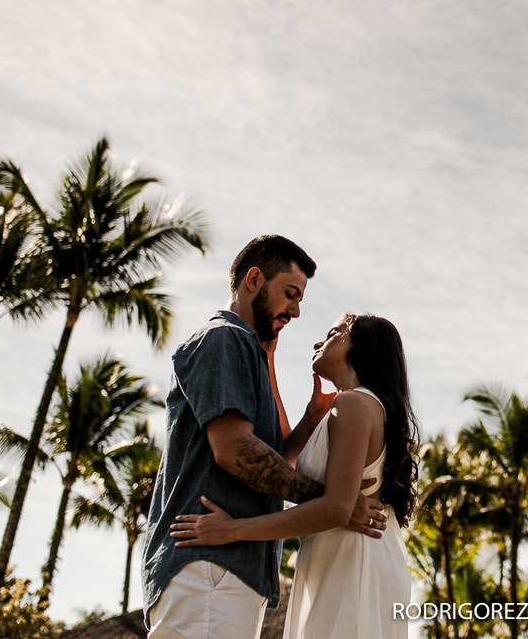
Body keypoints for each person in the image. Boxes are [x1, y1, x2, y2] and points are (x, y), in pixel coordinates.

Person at [141, 236, 389, 639]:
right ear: (254, 279)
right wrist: (334, 502)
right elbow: (236, 451)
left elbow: (269, 459)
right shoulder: (225, 338)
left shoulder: (246, 351)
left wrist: (309, 422)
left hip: (225, 570)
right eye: (290, 294)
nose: (295, 311)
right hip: (211, 565)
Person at [170, 313, 419, 639]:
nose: (318, 342)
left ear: (357, 344)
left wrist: (231, 531)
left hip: (353, 560)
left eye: (332, 334)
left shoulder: (354, 404)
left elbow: (337, 508)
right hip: (340, 556)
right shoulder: (352, 407)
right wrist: (306, 410)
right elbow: (279, 465)